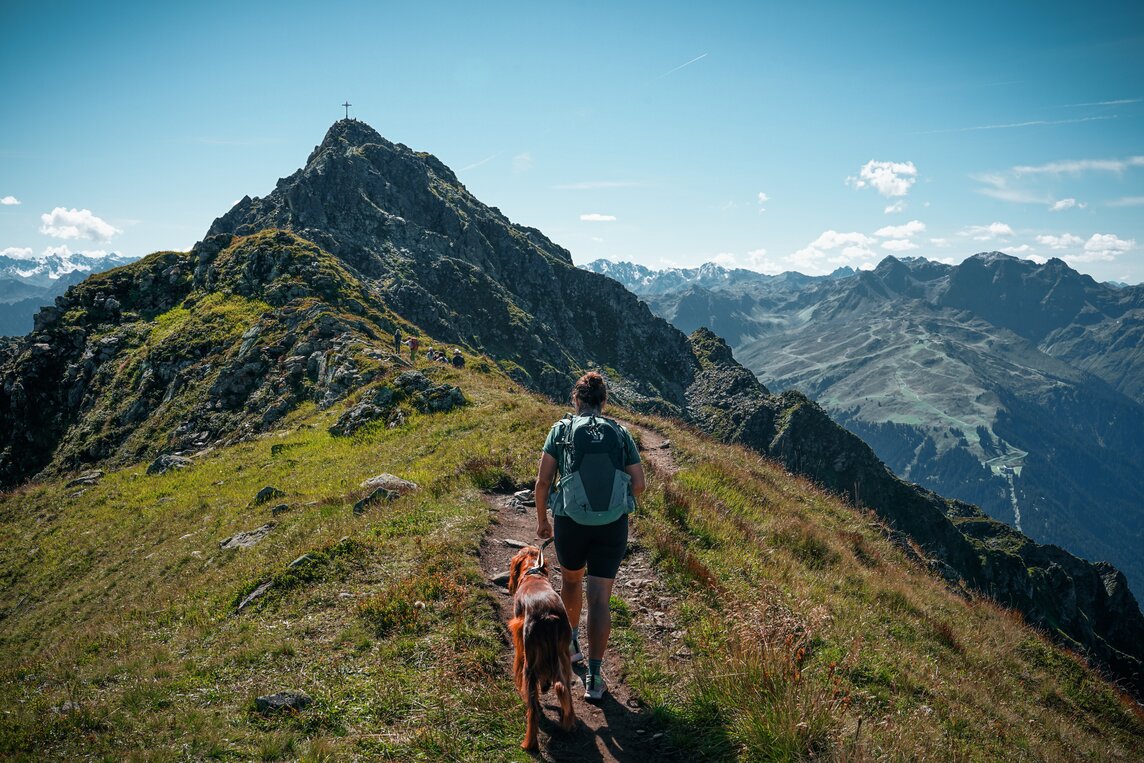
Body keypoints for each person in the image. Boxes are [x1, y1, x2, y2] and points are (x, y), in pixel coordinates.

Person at [534, 372, 645, 701]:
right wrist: (617, 503)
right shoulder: (620, 432)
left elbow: (543, 482)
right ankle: (594, 679)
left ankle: (569, 647)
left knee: (571, 583)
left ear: (576, 400)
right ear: (603, 402)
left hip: (571, 521)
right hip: (612, 525)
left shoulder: (561, 430)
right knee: (600, 598)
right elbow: (638, 484)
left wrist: (543, 521)